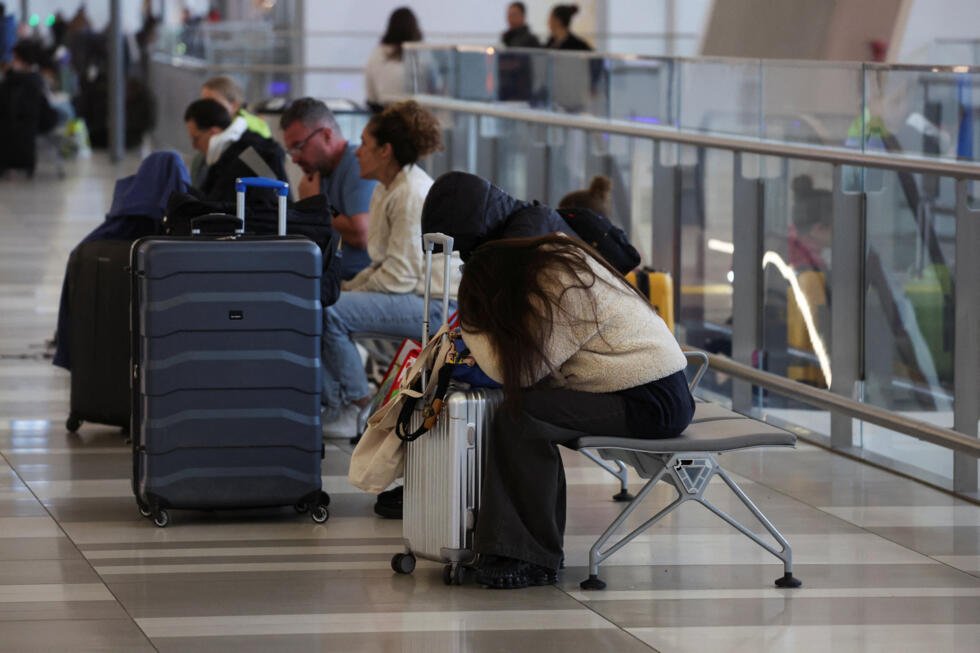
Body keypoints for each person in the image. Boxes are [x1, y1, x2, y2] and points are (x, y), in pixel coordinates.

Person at [456, 234, 694, 589]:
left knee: (521, 416)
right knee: (527, 414)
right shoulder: (554, 268)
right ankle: (520, 549)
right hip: (646, 392)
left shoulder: (561, 284)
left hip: (653, 400)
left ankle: (532, 557)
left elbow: (520, 374)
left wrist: (470, 328)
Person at [320, 100, 457, 441]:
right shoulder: (389, 188)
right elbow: (384, 266)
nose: (357, 152)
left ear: (385, 150)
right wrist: (349, 287)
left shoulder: (410, 193)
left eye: (365, 144)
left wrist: (347, 292)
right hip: (416, 295)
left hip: (439, 307)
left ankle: (356, 405)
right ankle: (340, 403)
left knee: (329, 311)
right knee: (323, 305)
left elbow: (399, 277)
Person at [279, 97, 377, 279]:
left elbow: (362, 235)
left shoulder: (357, 164)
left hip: (358, 280)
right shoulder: (319, 172)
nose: (294, 158)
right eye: (290, 151)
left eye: (299, 146)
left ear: (326, 135)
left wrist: (316, 206)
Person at [183, 98, 286, 205]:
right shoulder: (226, 155)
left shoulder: (253, 154)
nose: (194, 146)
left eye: (195, 139)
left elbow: (276, 200)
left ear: (214, 132)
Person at [364, 7, 422, 113]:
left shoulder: (377, 54)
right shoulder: (421, 55)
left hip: (383, 116)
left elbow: (371, 96)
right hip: (415, 118)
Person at [200, 75, 271, 138]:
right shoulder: (214, 126)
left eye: (213, 104)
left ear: (234, 105)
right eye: (203, 103)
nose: (206, 108)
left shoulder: (248, 128)